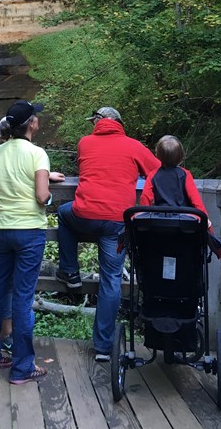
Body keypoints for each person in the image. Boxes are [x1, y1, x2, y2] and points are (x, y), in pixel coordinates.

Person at [55, 106, 160, 362]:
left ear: (99, 122)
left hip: (86, 214)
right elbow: (158, 170)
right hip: (118, 221)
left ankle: (70, 270)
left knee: (63, 214)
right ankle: (103, 347)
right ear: (119, 123)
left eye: (94, 121)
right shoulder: (134, 146)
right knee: (111, 279)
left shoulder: (85, 143)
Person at [0, 100, 56, 385]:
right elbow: (41, 196)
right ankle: (22, 367)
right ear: (31, 124)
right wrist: (49, 189)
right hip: (30, 231)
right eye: (36, 118)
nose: (38, 121)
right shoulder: (38, 154)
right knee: (22, 298)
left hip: (2, 229)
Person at [139, 135, 208, 214]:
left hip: (160, 219)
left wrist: (143, 214)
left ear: (157, 155)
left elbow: (146, 197)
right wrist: (204, 218)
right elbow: (195, 199)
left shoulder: (153, 175)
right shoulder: (185, 174)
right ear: (181, 155)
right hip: (183, 218)